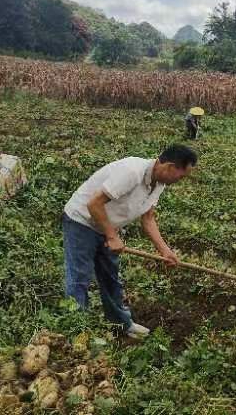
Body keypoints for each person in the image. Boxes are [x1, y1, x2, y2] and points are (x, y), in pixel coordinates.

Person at [62, 145, 198, 338]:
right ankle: (76, 332)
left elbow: (148, 218)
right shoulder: (132, 172)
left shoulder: (159, 184)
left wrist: (164, 250)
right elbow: (94, 204)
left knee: (111, 278)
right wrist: (111, 236)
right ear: (169, 166)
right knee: (79, 276)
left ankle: (121, 324)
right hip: (81, 221)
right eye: (181, 175)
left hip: (106, 225)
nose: (181, 181)